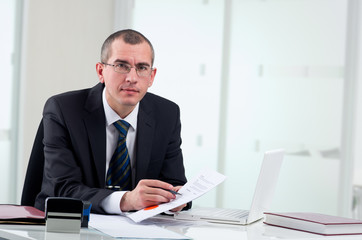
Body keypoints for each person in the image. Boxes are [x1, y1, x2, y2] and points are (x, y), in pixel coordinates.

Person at [34, 29, 190, 214]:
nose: (132, 78)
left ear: (152, 76)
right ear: (101, 71)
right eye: (121, 66)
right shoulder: (63, 110)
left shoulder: (166, 113)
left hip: (139, 229)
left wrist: (177, 199)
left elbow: (174, 182)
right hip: (73, 224)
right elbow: (62, 189)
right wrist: (125, 200)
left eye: (141, 68)